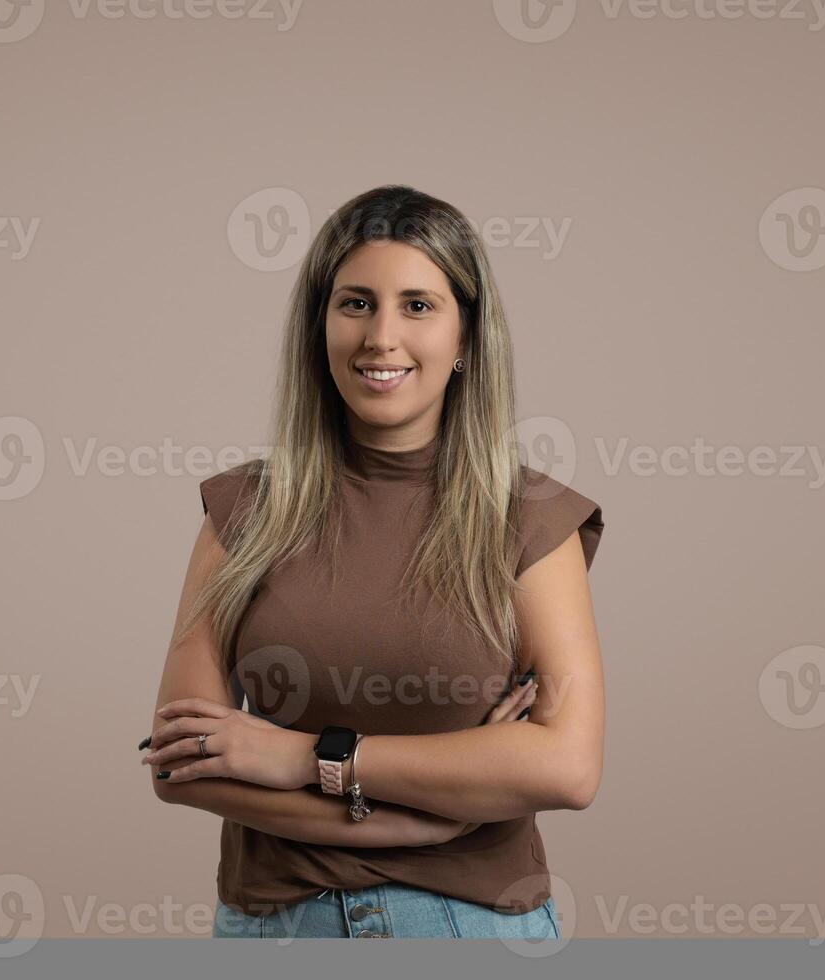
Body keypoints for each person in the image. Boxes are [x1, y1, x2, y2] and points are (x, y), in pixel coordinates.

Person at [139, 185, 606, 939]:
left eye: (418, 305)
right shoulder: (245, 512)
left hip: (469, 927)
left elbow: (566, 767)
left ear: (466, 340)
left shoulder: (530, 517)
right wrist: (415, 828)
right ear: (319, 326)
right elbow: (181, 763)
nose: (381, 337)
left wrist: (303, 758)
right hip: (276, 931)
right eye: (355, 303)